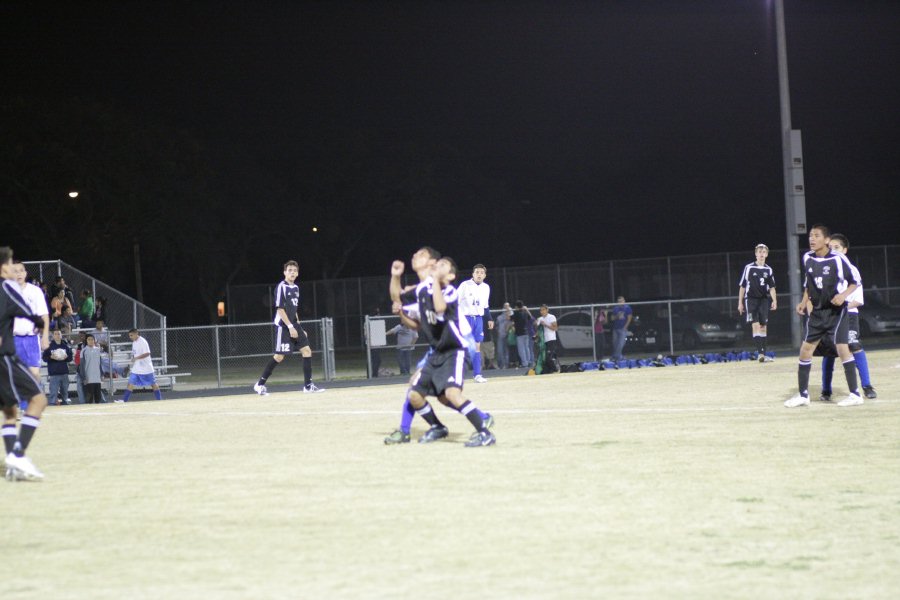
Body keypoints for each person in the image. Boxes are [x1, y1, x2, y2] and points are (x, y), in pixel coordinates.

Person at [383, 249, 494, 446]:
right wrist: (395, 278)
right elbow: (399, 301)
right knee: (429, 393)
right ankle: (452, 423)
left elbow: (440, 307)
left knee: (449, 393)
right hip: (440, 347)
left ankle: (407, 430)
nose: (415, 255)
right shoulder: (422, 289)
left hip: (458, 344)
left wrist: (432, 281)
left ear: (432, 263)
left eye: (422, 254)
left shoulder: (443, 288)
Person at [785, 224, 863, 408]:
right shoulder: (807, 258)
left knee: (843, 349)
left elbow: (855, 281)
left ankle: (855, 394)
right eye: (810, 235)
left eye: (816, 235)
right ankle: (803, 395)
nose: (812, 239)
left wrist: (843, 296)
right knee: (805, 350)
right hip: (818, 312)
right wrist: (804, 302)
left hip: (836, 312)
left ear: (826, 240)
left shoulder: (838, 259)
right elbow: (809, 284)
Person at [0, 246, 51, 481]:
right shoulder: (6, 288)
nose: (14, 269)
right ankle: (18, 455)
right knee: (39, 399)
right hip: (5, 357)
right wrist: (37, 323)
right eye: (11, 265)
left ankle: (13, 466)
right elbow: (23, 311)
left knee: (10, 411)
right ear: (3, 268)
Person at [819, 234, 877, 401]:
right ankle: (826, 391)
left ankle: (866, 386)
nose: (833, 251)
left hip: (849, 315)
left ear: (845, 250)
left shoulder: (852, 270)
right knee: (829, 352)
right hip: (830, 317)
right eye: (831, 248)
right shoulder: (826, 270)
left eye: (837, 247)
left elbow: (858, 300)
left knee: (854, 345)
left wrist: (840, 304)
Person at [253, 260, 324, 395]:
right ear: (284, 272)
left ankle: (308, 386)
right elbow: (280, 309)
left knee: (307, 351)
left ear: (297, 273)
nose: (292, 272)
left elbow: (294, 310)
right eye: (289, 270)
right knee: (279, 357)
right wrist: (290, 327)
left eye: (294, 270)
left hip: (293, 324)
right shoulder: (281, 287)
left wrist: (299, 327)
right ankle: (259, 385)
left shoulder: (296, 288)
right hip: (283, 326)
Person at [11, 263, 49, 409]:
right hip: (14, 338)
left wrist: (45, 336)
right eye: (15, 271)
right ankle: (24, 408)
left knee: (34, 374)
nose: (19, 274)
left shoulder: (35, 291)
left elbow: (44, 315)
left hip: (31, 338)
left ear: (26, 273)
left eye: (21, 270)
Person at [737, 243, 778, 362]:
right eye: (759, 252)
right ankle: (760, 354)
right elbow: (743, 286)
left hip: (764, 300)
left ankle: (763, 354)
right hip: (751, 300)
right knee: (755, 325)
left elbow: (772, 287)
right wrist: (740, 302)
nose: (761, 254)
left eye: (763, 252)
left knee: (763, 326)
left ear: (767, 254)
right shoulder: (749, 268)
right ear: (755, 254)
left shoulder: (768, 269)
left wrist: (774, 300)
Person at [457, 263, 494, 383]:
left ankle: (477, 374)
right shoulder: (465, 285)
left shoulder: (486, 287)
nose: (479, 274)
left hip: (478, 319)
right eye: (477, 272)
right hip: (465, 318)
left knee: (477, 346)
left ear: (485, 275)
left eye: (482, 272)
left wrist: (489, 318)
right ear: (473, 274)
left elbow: (485, 305)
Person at [117, 328, 162, 403]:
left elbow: (147, 353)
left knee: (153, 384)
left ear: (136, 334)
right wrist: (134, 358)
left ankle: (160, 400)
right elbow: (136, 354)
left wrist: (136, 358)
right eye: (129, 335)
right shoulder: (134, 342)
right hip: (137, 368)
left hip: (146, 367)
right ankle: (124, 400)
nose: (130, 337)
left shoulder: (143, 341)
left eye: (131, 335)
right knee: (130, 382)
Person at [42, 329, 73, 406]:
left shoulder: (65, 346)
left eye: (59, 334)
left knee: (65, 392)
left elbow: (70, 358)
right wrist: (51, 357)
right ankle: (52, 405)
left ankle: (65, 404)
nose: (57, 336)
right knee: (53, 392)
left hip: (64, 372)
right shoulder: (49, 346)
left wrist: (66, 357)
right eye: (55, 334)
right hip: (54, 373)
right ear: (53, 336)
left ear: (61, 335)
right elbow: (44, 358)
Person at [79, 334, 104, 404]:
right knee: (89, 399)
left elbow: (100, 364)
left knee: (98, 399)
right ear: (86, 341)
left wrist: (101, 374)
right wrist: (84, 378)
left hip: (97, 378)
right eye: (89, 339)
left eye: (92, 339)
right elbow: (82, 366)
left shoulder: (98, 350)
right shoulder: (83, 351)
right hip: (88, 378)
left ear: (94, 340)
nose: (91, 341)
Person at [534, 304, 559, 373]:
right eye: (541, 310)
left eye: (543, 310)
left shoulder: (551, 317)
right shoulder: (540, 318)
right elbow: (538, 330)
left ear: (547, 310)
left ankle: (556, 369)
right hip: (543, 341)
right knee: (544, 358)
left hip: (551, 340)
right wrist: (536, 324)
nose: (542, 311)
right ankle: (550, 370)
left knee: (548, 357)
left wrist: (545, 324)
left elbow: (555, 328)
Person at [512, 300, 535, 369]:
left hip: (520, 334)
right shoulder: (525, 313)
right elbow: (531, 318)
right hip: (526, 333)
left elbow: (509, 318)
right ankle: (528, 362)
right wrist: (526, 309)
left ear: (516, 307)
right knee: (527, 348)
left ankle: (524, 363)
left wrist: (508, 310)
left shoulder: (516, 313)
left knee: (521, 349)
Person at [610, 296, 633, 361]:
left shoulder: (627, 308)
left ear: (624, 301)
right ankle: (618, 356)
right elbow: (612, 318)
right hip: (616, 328)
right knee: (615, 343)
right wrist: (617, 316)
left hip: (622, 328)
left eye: (621, 301)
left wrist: (625, 327)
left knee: (621, 344)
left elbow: (629, 318)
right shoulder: (615, 308)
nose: (620, 302)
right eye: (619, 301)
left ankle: (616, 357)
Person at [494, 302, 513, 369]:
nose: (506, 307)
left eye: (507, 306)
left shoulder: (511, 315)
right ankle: (501, 365)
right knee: (500, 351)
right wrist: (498, 331)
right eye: (505, 306)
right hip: (501, 335)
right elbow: (496, 326)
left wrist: (508, 311)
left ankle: (507, 365)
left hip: (509, 335)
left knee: (507, 351)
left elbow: (511, 321)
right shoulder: (499, 317)